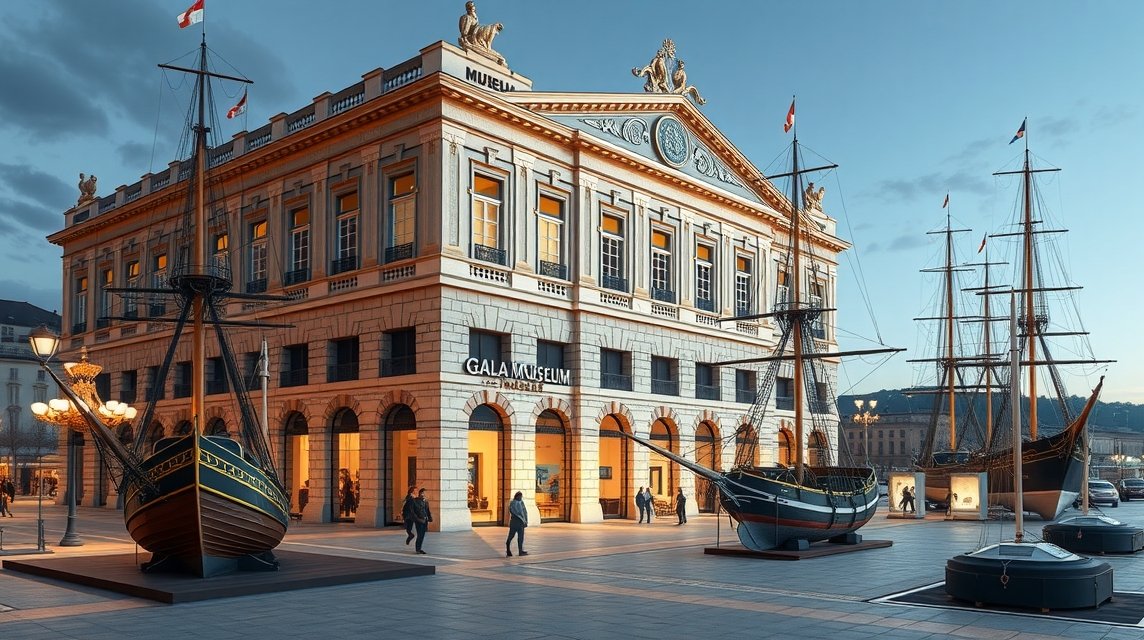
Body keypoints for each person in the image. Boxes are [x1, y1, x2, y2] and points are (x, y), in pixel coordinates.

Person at [506, 490, 528, 557]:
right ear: (517, 496)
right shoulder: (517, 503)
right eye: (519, 496)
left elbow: (524, 513)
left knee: (519, 537)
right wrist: (525, 521)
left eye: (521, 496)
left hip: (516, 522)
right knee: (514, 536)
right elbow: (522, 513)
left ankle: (520, 550)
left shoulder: (514, 503)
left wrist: (525, 521)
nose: (520, 497)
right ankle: (510, 549)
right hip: (517, 522)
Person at [411, 487, 432, 554]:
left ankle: (419, 548)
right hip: (419, 521)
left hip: (425, 520)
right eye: (425, 493)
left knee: (422, 535)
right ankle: (418, 549)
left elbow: (427, 510)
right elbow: (413, 512)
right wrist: (417, 519)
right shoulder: (415, 501)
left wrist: (429, 518)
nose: (426, 495)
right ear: (421, 494)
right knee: (420, 535)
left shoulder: (425, 501)